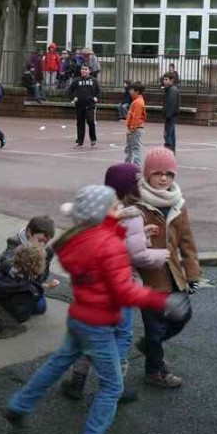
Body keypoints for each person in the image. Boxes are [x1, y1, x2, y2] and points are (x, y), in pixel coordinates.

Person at [3, 185, 192, 434]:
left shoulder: (81, 238)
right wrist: (161, 302)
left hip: (80, 316)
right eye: (114, 206)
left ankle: (19, 405)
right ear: (101, 213)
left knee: (56, 364)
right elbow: (124, 291)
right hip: (99, 324)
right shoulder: (109, 244)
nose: (119, 209)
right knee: (112, 386)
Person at [61, 162, 169, 404]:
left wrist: (142, 234)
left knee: (92, 335)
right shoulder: (133, 215)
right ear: (130, 188)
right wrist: (161, 255)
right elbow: (137, 255)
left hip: (97, 285)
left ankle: (77, 381)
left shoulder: (104, 211)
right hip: (121, 284)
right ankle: (115, 385)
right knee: (121, 335)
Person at [136, 147, 200, 388]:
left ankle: (149, 347)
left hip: (173, 275)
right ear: (148, 174)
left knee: (182, 316)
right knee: (154, 327)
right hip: (149, 278)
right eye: (158, 173)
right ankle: (154, 371)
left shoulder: (178, 204)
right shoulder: (137, 204)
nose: (164, 178)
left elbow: (187, 242)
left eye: (169, 174)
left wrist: (192, 273)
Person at [0, 243, 51, 323]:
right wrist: (45, 286)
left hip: (5, 299)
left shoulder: (3, 274)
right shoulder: (31, 287)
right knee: (41, 303)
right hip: (19, 313)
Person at [69, 64, 100, 149]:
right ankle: (79, 142)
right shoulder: (76, 80)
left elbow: (98, 91)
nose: (83, 71)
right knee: (80, 123)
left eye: (86, 69)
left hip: (90, 105)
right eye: (82, 69)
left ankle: (93, 140)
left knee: (91, 122)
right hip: (79, 105)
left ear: (89, 71)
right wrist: (73, 98)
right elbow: (70, 90)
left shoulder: (94, 81)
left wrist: (96, 97)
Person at [123, 82, 146, 167]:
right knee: (129, 147)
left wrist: (132, 129)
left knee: (135, 147)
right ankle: (128, 164)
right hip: (134, 128)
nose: (129, 91)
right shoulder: (136, 101)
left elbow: (136, 117)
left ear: (137, 91)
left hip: (135, 128)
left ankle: (136, 165)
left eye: (131, 90)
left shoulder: (138, 103)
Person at [161, 72, 179, 153]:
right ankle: (171, 151)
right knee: (171, 133)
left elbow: (171, 104)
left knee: (168, 134)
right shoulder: (169, 89)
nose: (164, 81)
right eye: (164, 79)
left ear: (171, 80)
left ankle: (169, 151)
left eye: (166, 79)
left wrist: (168, 115)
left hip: (170, 116)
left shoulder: (172, 90)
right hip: (171, 115)